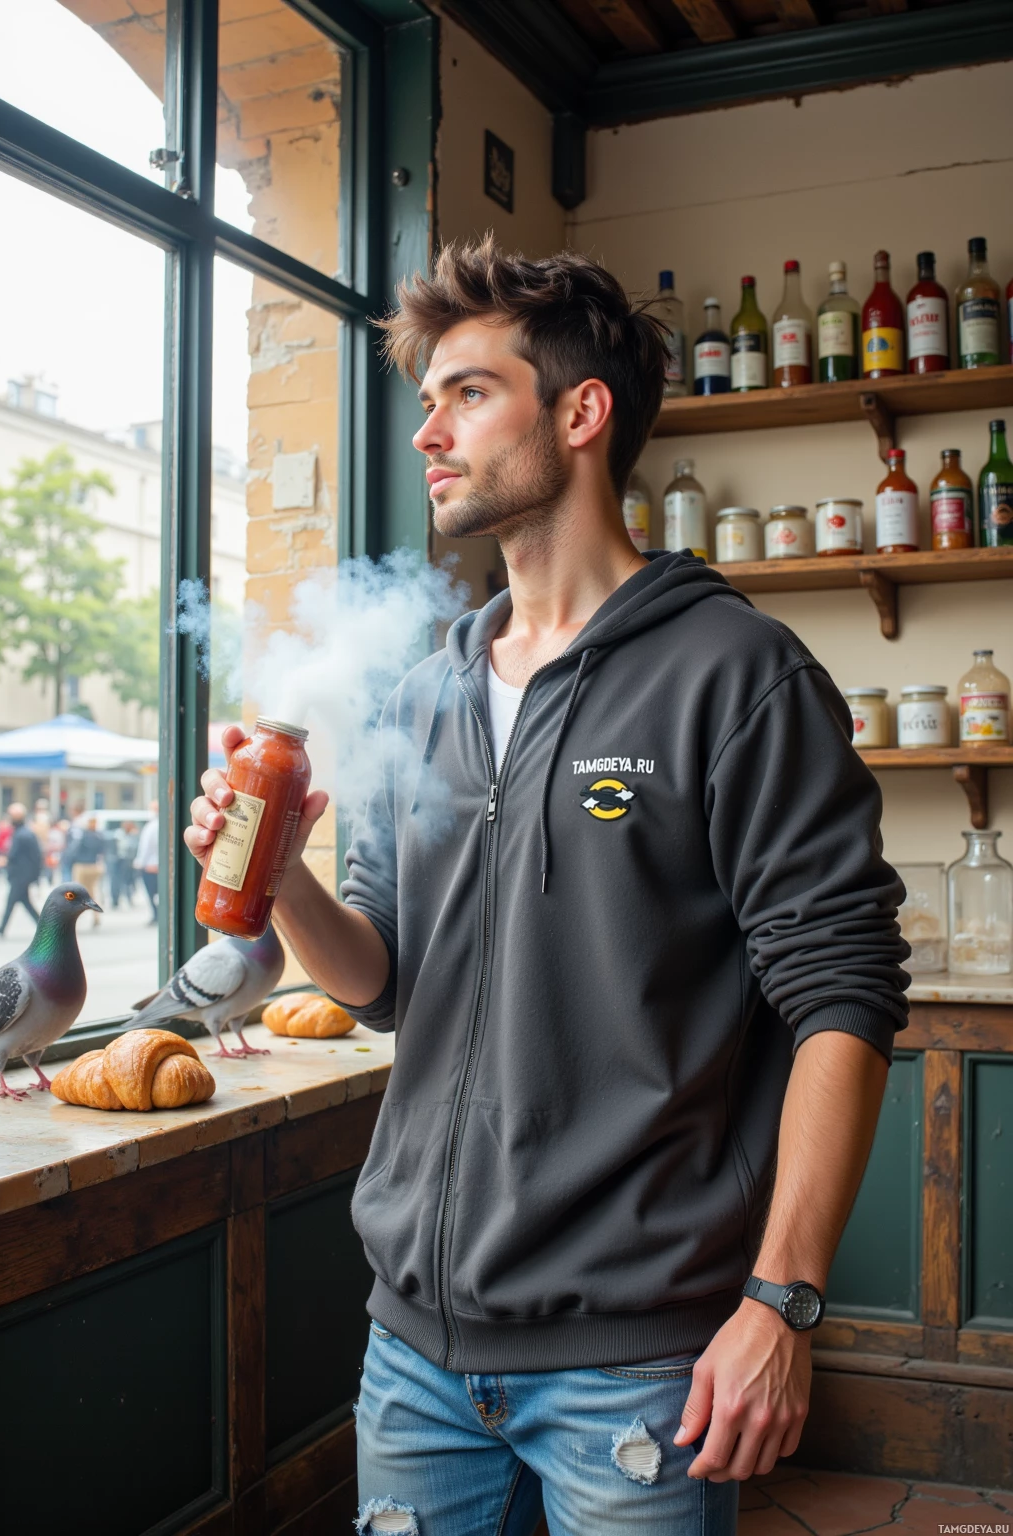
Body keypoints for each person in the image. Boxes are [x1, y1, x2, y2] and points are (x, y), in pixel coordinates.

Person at [186, 238, 910, 1535]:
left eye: (467, 392)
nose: (427, 432)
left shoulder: (735, 676)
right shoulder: (431, 691)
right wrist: (283, 874)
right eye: (425, 400)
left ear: (582, 414)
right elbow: (383, 984)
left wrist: (783, 1302)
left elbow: (842, 1002)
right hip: (412, 1346)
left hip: (632, 1364)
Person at [0, 803, 42, 936]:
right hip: (22, 874)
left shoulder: (22, 834)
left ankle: (2, 927)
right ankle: (43, 926)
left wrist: (5, 860)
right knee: (25, 902)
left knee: (12, 901)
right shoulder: (24, 833)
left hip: (21, 875)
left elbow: (15, 854)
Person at [70, 816, 105, 927]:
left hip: (81, 866)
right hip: (94, 866)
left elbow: (74, 849)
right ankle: (96, 916)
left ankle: (73, 918)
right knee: (93, 892)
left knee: (77, 893)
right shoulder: (99, 836)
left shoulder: (83, 835)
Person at [134, 802, 160, 924]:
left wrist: (140, 862)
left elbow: (145, 848)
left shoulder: (151, 827)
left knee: (152, 893)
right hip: (160, 866)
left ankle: (156, 914)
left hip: (150, 866)